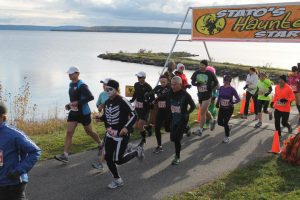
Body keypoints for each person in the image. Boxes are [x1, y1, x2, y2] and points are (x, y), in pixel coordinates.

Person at [100, 80, 144, 189]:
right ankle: (117, 179)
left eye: (110, 89)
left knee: (118, 160)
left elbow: (134, 115)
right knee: (108, 157)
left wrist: (126, 127)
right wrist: (100, 118)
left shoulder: (123, 101)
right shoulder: (106, 102)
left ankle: (137, 151)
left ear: (117, 90)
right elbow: (106, 117)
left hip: (121, 136)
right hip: (110, 135)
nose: (108, 91)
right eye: (106, 89)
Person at [55, 66, 101, 163]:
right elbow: (74, 99)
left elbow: (90, 97)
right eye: (69, 74)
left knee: (89, 132)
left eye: (71, 74)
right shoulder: (71, 84)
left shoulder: (82, 85)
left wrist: (78, 103)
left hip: (84, 113)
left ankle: (100, 143)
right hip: (74, 112)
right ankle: (65, 155)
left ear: (77, 74)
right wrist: (70, 104)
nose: (69, 75)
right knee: (69, 132)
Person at [0, 102, 41, 200]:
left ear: (2, 116)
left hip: (13, 184)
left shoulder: (14, 134)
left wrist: (18, 171)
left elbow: (35, 151)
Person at [169, 76, 196, 165]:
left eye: (175, 84)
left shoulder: (185, 95)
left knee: (177, 139)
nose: (173, 86)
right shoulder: (170, 92)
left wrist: (187, 113)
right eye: (172, 84)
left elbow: (193, 106)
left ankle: (177, 157)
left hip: (182, 119)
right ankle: (187, 128)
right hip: (174, 118)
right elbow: (162, 96)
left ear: (180, 85)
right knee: (172, 138)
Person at [191, 60, 219, 136]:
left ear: (206, 66)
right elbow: (192, 82)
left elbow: (216, 82)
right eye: (200, 65)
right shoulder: (196, 73)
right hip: (200, 95)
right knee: (205, 111)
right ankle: (212, 120)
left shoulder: (210, 73)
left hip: (208, 95)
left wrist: (211, 87)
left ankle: (200, 130)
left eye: (203, 65)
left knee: (202, 111)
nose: (201, 66)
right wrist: (196, 84)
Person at [130, 71, 154, 146]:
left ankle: (143, 139)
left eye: (140, 77)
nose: (138, 78)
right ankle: (148, 127)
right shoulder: (136, 84)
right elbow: (135, 94)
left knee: (140, 125)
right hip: (137, 107)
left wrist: (148, 101)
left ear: (144, 78)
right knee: (135, 126)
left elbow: (152, 98)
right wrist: (132, 100)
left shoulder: (148, 87)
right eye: (138, 77)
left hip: (145, 108)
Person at [92, 78, 111, 171]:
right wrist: (99, 108)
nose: (103, 86)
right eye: (103, 84)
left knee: (107, 142)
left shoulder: (115, 95)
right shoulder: (102, 94)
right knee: (110, 141)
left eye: (105, 84)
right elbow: (98, 106)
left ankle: (102, 163)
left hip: (115, 121)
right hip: (107, 120)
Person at [216, 75, 240, 143]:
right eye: (225, 80)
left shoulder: (232, 89)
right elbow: (219, 96)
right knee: (219, 123)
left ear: (229, 81)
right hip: (222, 108)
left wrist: (233, 102)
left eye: (227, 81)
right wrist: (217, 103)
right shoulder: (221, 88)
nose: (225, 82)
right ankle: (228, 126)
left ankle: (227, 137)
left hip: (229, 109)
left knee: (225, 123)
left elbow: (238, 99)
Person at [152, 75, 171, 153]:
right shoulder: (158, 87)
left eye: (164, 82)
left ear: (167, 81)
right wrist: (148, 96)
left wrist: (158, 97)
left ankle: (185, 128)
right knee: (157, 128)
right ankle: (159, 146)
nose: (162, 83)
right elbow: (151, 92)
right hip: (160, 111)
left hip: (168, 112)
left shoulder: (170, 87)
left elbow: (164, 95)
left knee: (168, 129)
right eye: (161, 82)